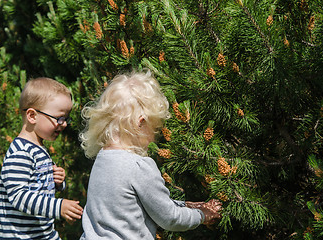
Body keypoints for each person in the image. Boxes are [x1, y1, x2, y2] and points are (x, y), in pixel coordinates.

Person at [79, 70, 221, 240]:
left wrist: (186, 205)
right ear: (141, 123)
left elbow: (137, 205)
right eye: (155, 129)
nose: (155, 137)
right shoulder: (138, 166)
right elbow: (169, 217)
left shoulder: (102, 159)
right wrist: (202, 215)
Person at [0, 77, 83, 239]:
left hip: (44, 234)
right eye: (59, 118)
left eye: (66, 118)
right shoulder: (21, 152)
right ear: (32, 116)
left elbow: (40, 186)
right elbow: (18, 195)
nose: (63, 124)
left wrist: (57, 182)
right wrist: (58, 207)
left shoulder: (39, 149)